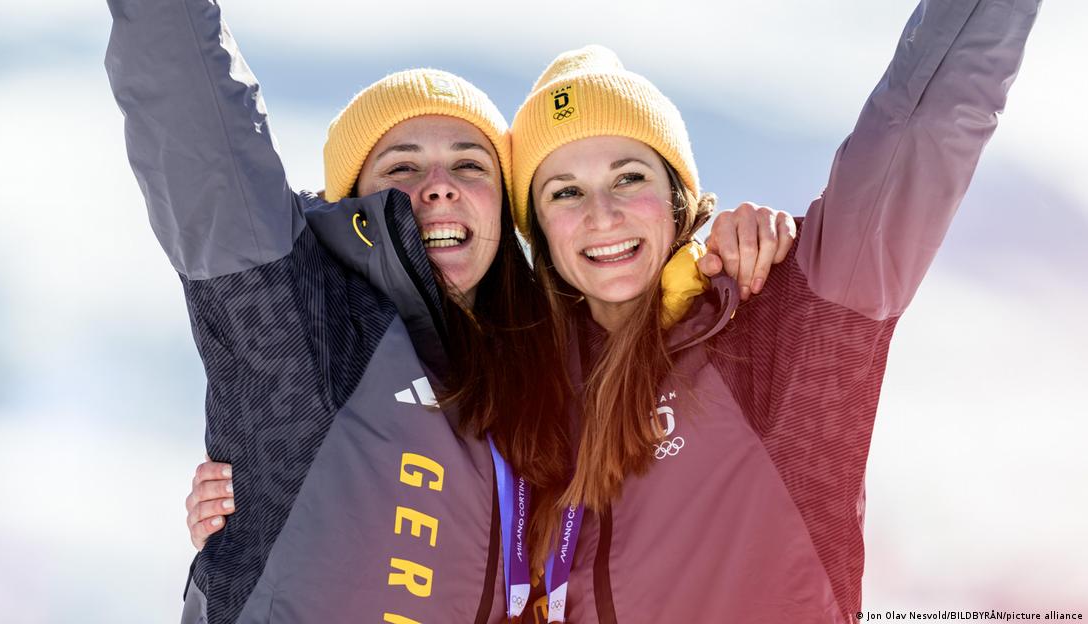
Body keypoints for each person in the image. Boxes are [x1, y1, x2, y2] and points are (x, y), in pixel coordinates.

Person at [106, 0, 792, 622]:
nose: (437, 188)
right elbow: (191, 112)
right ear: (355, 202)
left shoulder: (539, 375)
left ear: (504, 210)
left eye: (469, 166)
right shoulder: (298, 321)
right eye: (402, 168)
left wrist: (710, 262)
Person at [492, 0, 1041, 622]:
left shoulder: (782, 318)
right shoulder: (519, 404)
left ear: (678, 198)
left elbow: (922, 127)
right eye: (566, 191)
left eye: (629, 177)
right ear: (538, 231)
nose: (602, 214)